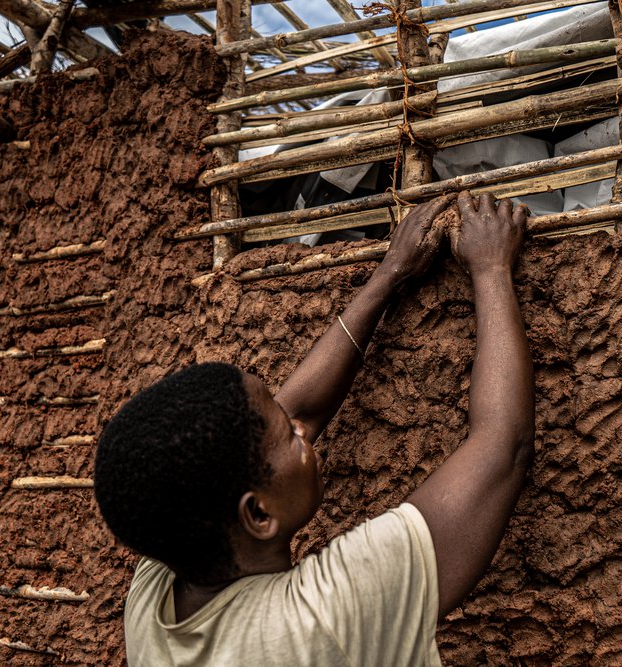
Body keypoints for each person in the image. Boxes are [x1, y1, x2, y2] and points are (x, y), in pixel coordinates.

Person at [94, 191, 535, 666]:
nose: (301, 430)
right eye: (289, 437)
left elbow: (296, 414)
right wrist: (491, 270)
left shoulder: (157, 587)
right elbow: (502, 445)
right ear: (258, 516)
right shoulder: (318, 619)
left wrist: (388, 275)